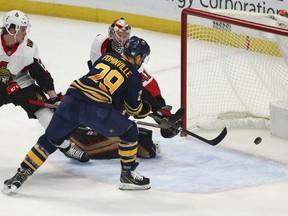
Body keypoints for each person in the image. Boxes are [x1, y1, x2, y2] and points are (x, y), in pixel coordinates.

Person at [2, 36, 152, 193]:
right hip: (96, 110)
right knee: (130, 130)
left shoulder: (107, 56)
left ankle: (20, 175)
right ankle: (128, 175)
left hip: (71, 101)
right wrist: (145, 109)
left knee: (50, 140)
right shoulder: (134, 76)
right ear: (138, 56)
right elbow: (133, 109)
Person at [0, 10, 90, 163]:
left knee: (48, 118)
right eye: (22, 29)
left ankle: (67, 147)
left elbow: (41, 74)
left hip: (22, 83)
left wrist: (53, 97)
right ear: (11, 29)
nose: (25, 32)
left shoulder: (28, 48)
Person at [89, 18, 182, 139]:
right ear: (112, 33)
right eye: (119, 35)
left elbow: (148, 83)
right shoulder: (100, 42)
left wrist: (160, 109)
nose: (122, 39)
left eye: (125, 36)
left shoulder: (130, 56)